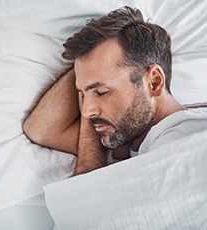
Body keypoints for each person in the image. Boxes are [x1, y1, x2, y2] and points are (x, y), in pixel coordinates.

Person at [23, 6, 207, 175]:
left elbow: (90, 205)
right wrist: (92, 71)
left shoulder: (183, 139)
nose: (86, 111)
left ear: (154, 82)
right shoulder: (133, 136)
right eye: (81, 93)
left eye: (102, 92)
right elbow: (41, 130)